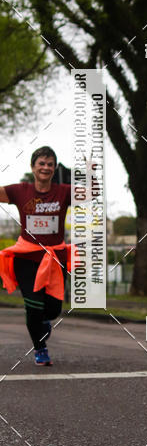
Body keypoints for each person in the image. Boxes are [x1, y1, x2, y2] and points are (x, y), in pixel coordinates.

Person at [0, 146, 72, 366]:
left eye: (50, 164)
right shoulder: (20, 190)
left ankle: (44, 323)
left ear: (54, 168)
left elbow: (91, 194)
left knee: (52, 309)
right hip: (27, 258)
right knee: (33, 306)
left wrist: (92, 176)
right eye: (41, 163)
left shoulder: (64, 192)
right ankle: (40, 349)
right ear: (33, 167)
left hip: (54, 258)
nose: (46, 168)